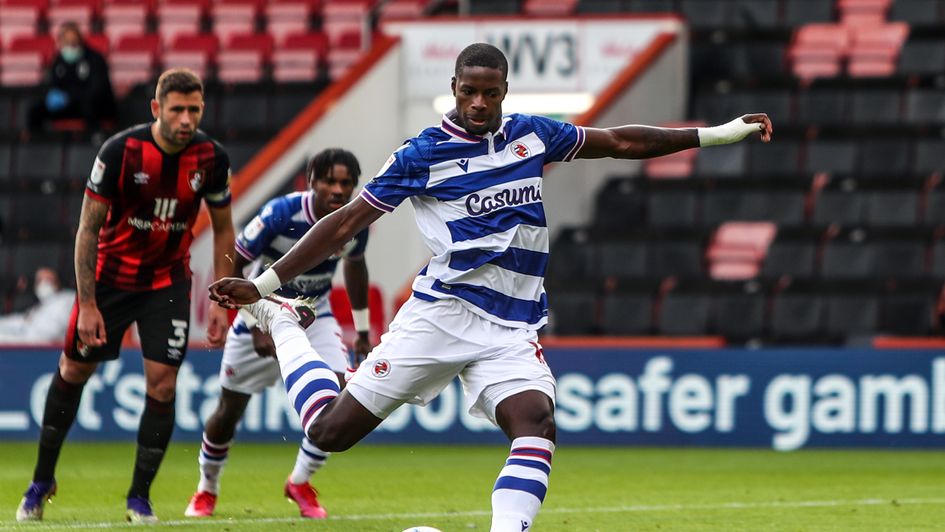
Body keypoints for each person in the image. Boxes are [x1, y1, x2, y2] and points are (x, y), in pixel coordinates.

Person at [209, 43, 773, 532]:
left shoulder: (533, 134)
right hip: (440, 314)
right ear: (454, 89)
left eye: (491, 93)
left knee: (536, 421)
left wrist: (718, 134)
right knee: (329, 433)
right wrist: (264, 286)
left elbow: (621, 141)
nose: (479, 103)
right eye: (469, 92)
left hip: (510, 325)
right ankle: (284, 322)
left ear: (505, 92)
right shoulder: (422, 153)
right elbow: (346, 222)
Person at [16, 68, 235, 524]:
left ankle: (140, 497)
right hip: (111, 280)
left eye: (194, 109)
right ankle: (40, 481)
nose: (186, 119)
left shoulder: (211, 157)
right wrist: (89, 303)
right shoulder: (121, 151)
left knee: (164, 384)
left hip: (167, 283)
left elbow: (223, 229)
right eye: (177, 109)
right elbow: (87, 230)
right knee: (74, 370)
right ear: (156, 109)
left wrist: (219, 297)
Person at [185, 148, 372, 519]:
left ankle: (300, 481)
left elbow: (355, 266)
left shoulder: (355, 221)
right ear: (311, 181)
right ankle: (207, 488)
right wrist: (254, 321)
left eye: (346, 183)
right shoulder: (281, 213)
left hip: (314, 314)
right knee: (228, 411)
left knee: (339, 399)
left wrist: (363, 330)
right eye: (329, 181)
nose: (337, 190)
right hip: (264, 310)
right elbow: (235, 262)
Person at [28, 21, 116, 132]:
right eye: (67, 43)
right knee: (36, 109)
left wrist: (70, 97)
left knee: (90, 107)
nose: (70, 47)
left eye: (73, 43)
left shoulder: (95, 59)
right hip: (68, 106)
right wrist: (51, 96)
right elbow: (51, 84)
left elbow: (97, 91)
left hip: (92, 106)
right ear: (60, 43)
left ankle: (93, 142)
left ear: (80, 41)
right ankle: (37, 144)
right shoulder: (58, 60)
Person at [0, 267, 76, 344]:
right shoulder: (43, 305)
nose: (44, 284)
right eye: (40, 280)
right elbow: (22, 321)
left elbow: (42, 338)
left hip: (48, 351)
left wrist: (4, 338)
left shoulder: (67, 300)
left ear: (58, 282)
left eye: (49, 280)